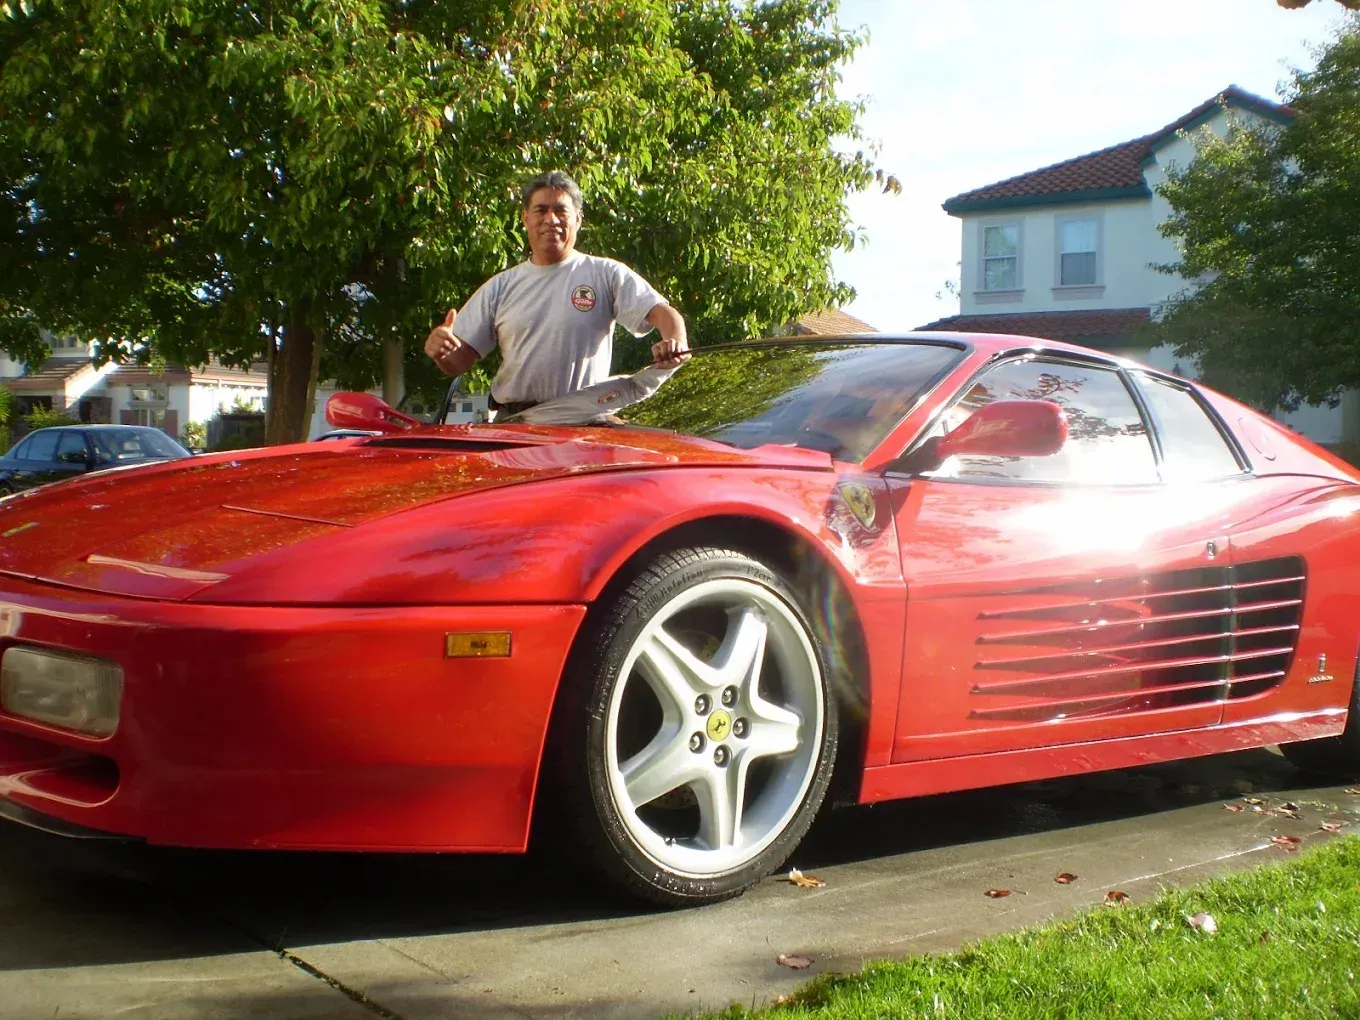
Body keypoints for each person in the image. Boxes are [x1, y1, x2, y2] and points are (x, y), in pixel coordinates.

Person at [424, 170, 689, 419]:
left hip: (584, 426)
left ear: (578, 219)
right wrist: (441, 351)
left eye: (561, 211)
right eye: (541, 210)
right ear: (525, 218)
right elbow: (457, 363)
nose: (551, 220)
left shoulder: (606, 273)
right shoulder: (500, 287)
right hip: (516, 428)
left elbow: (665, 315)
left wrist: (674, 344)